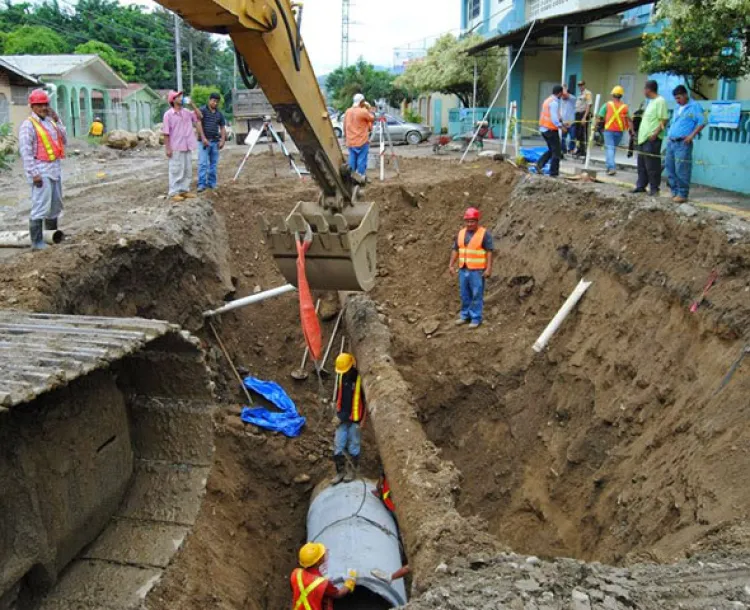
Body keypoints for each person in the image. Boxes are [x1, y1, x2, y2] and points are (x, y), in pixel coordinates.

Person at [18, 89, 67, 250]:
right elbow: (26, 152)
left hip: (54, 168)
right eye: (39, 105)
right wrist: (34, 174)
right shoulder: (28, 125)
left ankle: (51, 236)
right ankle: (37, 242)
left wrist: (57, 119)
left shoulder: (50, 122)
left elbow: (64, 139)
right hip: (40, 169)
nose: (43, 108)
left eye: (45, 104)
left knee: (55, 205)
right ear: (32, 106)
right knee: (40, 205)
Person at [449, 207, 494, 329]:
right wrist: (451, 264)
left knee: (476, 294)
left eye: (472, 221)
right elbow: (456, 249)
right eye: (468, 221)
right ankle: (465, 315)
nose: (470, 224)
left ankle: (475, 317)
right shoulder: (461, 233)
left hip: (477, 270)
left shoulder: (484, 234)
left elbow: (489, 251)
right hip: (463, 269)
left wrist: (488, 268)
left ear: (477, 221)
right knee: (465, 294)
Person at [665, 85, 705, 203]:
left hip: (683, 143)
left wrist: (691, 135)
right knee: (670, 167)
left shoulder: (695, 106)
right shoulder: (678, 107)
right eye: (676, 99)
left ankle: (682, 194)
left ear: (685, 95)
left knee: (682, 169)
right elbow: (673, 123)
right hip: (672, 141)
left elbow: (702, 122)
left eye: (679, 98)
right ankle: (674, 191)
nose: (677, 101)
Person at [333, 353, 366, 484]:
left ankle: (352, 471)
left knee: (354, 446)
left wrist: (363, 421)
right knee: (338, 445)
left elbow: (366, 401)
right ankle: (340, 472)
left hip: (355, 419)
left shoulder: (360, 379)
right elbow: (340, 396)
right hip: (342, 418)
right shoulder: (342, 377)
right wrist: (336, 412)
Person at [291, 543, 355, 610]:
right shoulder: (323, 583)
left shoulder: (296, 573)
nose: (324, 555)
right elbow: (338, 594)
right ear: (318, 562)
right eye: (322, 555)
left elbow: (296, 589)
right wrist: (350, 581)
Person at [162, 90, 201, 202]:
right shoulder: (168, 115)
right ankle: (174, 192)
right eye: (178, 97)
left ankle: (184, 190)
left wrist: (192, 104)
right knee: (176, 169)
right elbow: (166, 133)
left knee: (187, 169)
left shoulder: (187, 112)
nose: (181, 98)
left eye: (181, 96)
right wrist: (167, 148)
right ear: (173, 100)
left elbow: (200, 116)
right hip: (176, 146)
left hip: (187, 145)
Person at [633, 80, 668, 196]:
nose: (643, 91)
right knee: (642, 164)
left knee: (652, 165)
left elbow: (664, 119)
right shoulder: (651, 102)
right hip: (643, 139)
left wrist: (655, 133)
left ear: (648, 89)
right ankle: (641, 186)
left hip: (652, 139)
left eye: (644, 88)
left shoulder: (660, 101)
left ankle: (654, 188)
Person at [196, 92, 227, 192]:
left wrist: (223, 140)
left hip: (215, 142)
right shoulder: (202, 111)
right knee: (203, 164)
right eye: (213, 101)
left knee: (213, 165)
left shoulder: (219, 114)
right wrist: (203, 138)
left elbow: (222, 127)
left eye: (217, 102)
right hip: (204, 142)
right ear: (209, 100)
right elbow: (198, 124)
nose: (215, 103)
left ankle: (212, 183)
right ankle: (201, 184)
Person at [597, 86, 631, 175]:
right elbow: (629, 119)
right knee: (612, 149)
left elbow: (600, 117)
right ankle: (609, 167)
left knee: (610, 148)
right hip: (619, 131)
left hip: (609, 130)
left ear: (612, 95)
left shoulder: (607, 105)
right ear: (621, 96)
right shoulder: (625, 107)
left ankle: (611, 167)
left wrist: (596, 125)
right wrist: (632, 130)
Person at [536, 85, 566, 178]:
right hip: (551, 130)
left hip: (544, 129)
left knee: (551, 150)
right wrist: (561, 126)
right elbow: (553, 118)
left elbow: (553, 115)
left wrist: (561, 121)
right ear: (560, 93)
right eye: (562, 93)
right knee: (556, 152)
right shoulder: (554, 103)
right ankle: (553, 173)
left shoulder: (547, 100)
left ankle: (539, 164)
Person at [343, 93, 374, 178]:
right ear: (362, 102)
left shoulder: (348, 111)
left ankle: (351, 176)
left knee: (352, 159)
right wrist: (368, 108)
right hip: (362, 140)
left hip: (351, 141)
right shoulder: (363, 111)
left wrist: (346, 137)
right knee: (361, 160)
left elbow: (344, 125)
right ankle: (359, 177)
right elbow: (372, 118)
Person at [574, 80, 593, 157]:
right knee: (577, 133)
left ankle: (583, 150)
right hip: (578, 114)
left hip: (583, 114)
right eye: (579, 85)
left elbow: (589, 105)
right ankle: (579, 149)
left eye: (581, 85)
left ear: (584, 85)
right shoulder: (579, 94)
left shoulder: (588, 93)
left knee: (583, 133)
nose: (580, 86)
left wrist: (584, 117)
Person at [560, 86, 577, 156]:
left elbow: (566, 94)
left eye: (563, 94)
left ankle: (571, 149)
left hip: (571, 122)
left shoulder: (572, 99)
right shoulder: (560, 101)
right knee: (562, 138)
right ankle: (563, 150)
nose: (562, 96)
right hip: (563, 122)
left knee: (572, 137)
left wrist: (564, 89)